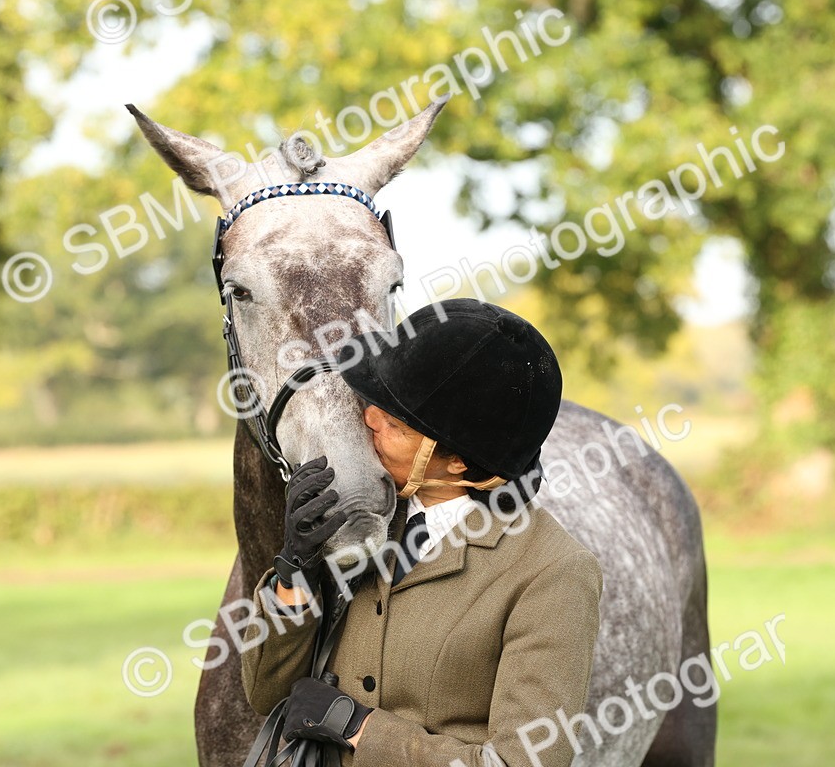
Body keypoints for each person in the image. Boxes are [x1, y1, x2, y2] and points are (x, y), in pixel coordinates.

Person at [241, 298, 603, 767]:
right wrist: (295, 572)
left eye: (394, 423)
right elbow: (266, 693)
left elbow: (524, 762)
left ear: (457, 462)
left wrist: (360, 729)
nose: (369, 419)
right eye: (375, 407)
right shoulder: (357, 515)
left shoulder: (553, 574)